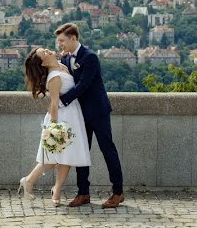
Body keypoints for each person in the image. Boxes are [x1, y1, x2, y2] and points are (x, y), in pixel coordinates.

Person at [54, 22, 125, 208]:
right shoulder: (66, 59)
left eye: (62, 41)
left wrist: (62, 101)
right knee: (81, 152)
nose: (60, 44)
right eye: (58, 41)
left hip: (98, 111)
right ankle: (83, 193)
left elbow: (83, 86)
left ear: (73, 38)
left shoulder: (90, 57)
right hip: (79, 114)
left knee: (107, 150)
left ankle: (118, 192)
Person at [18, 47, 91, 206]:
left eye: (45, 50)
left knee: (66, 158)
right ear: (43, 63)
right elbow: (54, 104)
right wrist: (54, 127)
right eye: (45, 53)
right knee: (52, 158)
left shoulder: (60, 67)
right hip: (62, 118)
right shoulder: (54, 77)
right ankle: (29, 180)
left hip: (71, 116)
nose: (49, 51)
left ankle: (57, 189)